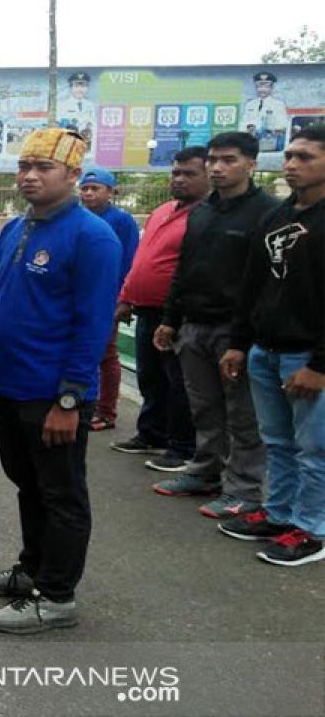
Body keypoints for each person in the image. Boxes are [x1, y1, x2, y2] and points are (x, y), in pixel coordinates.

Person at [0, 128, 120, 635]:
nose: (29, 176)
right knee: (29, 484)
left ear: (73, 175)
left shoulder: (93, 238)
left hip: (52, 395)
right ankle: (31, 569)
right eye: (24, 166)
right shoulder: (14, 229)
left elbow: (93, 326)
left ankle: (56, 596)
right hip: (8, 386)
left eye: (43, 167)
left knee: (62, 493)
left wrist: (70, 400)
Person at [152, 132, 279, 519]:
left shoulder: (268, 213)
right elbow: (185, 269)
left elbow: (264, 282)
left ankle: (244, 489)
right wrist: (170, 320)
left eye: (229, 160)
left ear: (251, 164)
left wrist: (243, 340)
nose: (218, 168)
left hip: (236, 332)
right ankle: (206, 471)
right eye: (213, 160)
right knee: (203, 407)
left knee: (242, 414)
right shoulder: (202, 212)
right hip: (194, 326)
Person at [218, 125, 325, 566]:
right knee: (277, 442)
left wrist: (320, 364)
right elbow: (252, 286)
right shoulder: (277, 216)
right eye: (288, 157)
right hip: (267, 350)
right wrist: (239, 343)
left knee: (315, 449)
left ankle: (312, 529)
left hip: (309, 357)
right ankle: (279, 514)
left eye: (305, 157)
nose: (291, 165)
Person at [112, 148, 209, 472]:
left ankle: (181, 446)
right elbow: (143, 258)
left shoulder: (206, 216)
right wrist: (126, 296)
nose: (179, 179)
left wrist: (173, 315)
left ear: (208, 175)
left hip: (176, 315)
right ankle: (151, 433)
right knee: (150, 378)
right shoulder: (163, 210)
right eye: (175, 173)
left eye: (189, 174)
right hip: (146, 310)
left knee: (179, 382)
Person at [77, 166, 140, 431]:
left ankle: (106, 412)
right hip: (77, 296)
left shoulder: (122, 222)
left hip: (107, 299)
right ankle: (79, 402)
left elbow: (129, 263)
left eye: (96, 189)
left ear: (111, 192)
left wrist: (122, 300)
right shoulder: (75, 217)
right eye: (85, 188)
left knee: (105, 353)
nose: (89, 193)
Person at [240, 71, 290, 151]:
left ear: (271, 88)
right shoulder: (250, 104)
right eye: (259, 87)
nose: (262, 90)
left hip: (270, 143)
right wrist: (249, 128)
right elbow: (243, 124)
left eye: (265, 87)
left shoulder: (278, 104)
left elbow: (283, 125)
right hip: (251, 142)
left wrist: (270, 129)